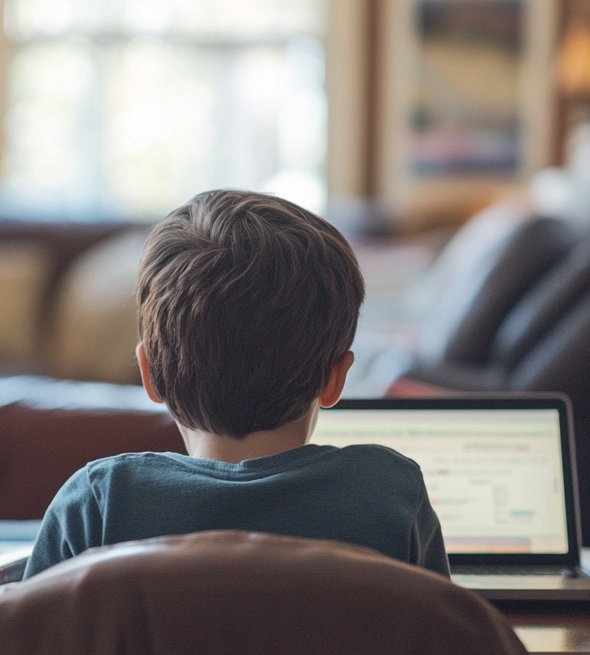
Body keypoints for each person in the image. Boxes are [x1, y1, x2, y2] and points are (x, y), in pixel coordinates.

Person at [23, 189, 448, 578]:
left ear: (149, 375)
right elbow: (443, 651)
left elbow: (28, 654)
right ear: (335, 378)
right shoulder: (388, 493)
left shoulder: (98, 504)